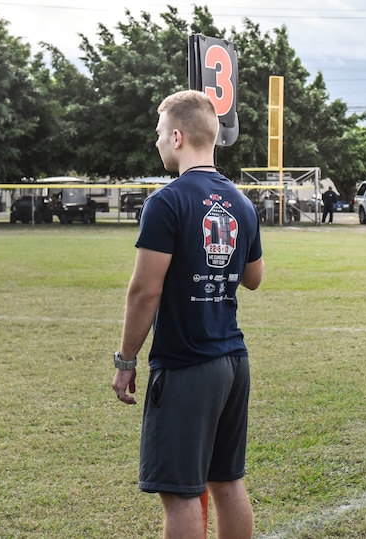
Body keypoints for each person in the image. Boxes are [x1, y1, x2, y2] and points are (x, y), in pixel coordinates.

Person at [111, 89, 264, 539]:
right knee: (227, 482)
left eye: (160, 134)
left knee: (179, 495)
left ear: (177, 137)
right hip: (234, 362)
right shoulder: (242, 202)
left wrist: (125, 360)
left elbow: (144, 292)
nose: (157, 142)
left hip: (186, 364)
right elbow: (253, 278)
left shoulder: (167, 201)